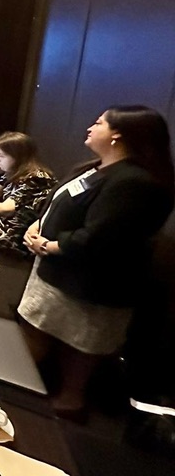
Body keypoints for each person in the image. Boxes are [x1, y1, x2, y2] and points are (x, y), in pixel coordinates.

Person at [18, 106, 174, 417]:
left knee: (79, 349)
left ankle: (60, 412)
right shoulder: (98, 168)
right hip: (56, 270)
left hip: (91, 285)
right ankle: (22, 392)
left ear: (118, 134)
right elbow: (58, 204)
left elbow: (103, 235)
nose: (91, 126)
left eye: (100, 122)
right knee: (38, 336)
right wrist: (38, 226)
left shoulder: (134, 181)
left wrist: (50, 244)